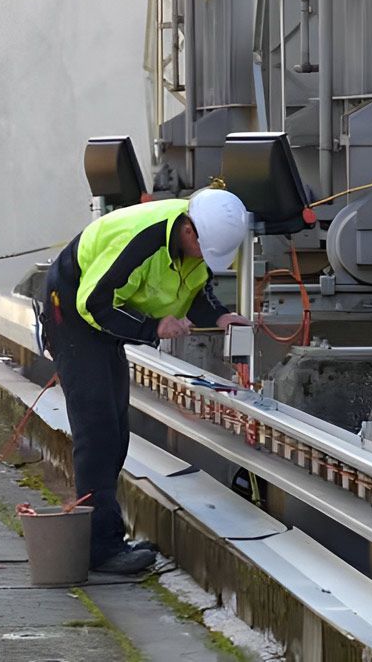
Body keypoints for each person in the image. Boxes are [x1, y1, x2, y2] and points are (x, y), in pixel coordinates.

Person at [42, 187, 251, 574]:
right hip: (71, 312)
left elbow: (194, 289)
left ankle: (105, 536)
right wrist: (154, 327)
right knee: (97, 431)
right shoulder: (143, 241)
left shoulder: (193, 241)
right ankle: (100, 549)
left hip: (105, 319)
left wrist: (221, 316)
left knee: (118, 429)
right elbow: (93, 304)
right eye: (205, 249)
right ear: (190, 232)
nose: (206, 259)